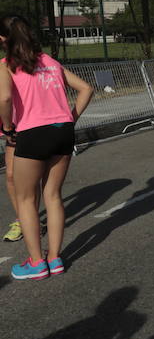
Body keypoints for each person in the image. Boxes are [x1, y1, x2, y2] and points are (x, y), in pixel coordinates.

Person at [0, 15, 93, 279]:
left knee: (26, 198)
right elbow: (86, 88)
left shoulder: (7, 65)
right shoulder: (50, 62)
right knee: (53, 195)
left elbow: (4, 98)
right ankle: (55, 258)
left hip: (31, 132)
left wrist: (8, 128)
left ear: (3, 39)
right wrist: (70, 117)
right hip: (62, 131)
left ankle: (37, 262)